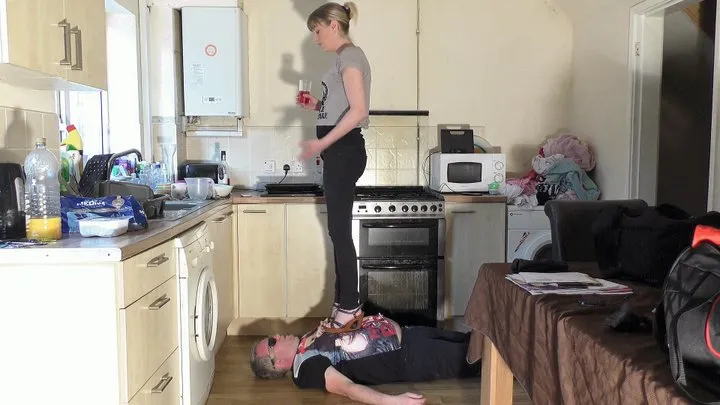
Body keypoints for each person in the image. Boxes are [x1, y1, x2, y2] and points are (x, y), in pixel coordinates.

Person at [296, 1, 370, 334]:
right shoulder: (342, 60)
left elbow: (358, 111)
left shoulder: (351, 56)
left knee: (340, 230)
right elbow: (339, 107)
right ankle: (344, 303)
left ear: (333, 25)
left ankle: (350, 305)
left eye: (317, 30)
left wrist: (321, 144)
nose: (315, 38)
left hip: (343, 151)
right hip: (339, 152)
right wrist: (316, 105)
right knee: (337, 230)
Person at [249, 314, 480, 405]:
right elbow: (346, 388)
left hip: (412, 335)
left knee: (477, 340)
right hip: (410, 357)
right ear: (278, 364)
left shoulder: (305, 342)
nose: (276, 336)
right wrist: (392, 402)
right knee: (479, 360)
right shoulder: (305, 368)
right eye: (272, 343)